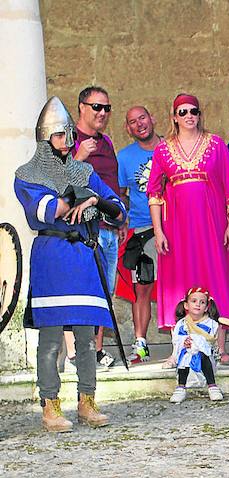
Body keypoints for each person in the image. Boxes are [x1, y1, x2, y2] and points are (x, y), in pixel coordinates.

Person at [14, 96, 126, 431]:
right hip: (52, 257)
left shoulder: (85, 171)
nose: (65, 141)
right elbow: (48, 211)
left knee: (85, 336)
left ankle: (87, 402)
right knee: (50, 338)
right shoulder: (27, 175)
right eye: (59, 135)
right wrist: (79, 196)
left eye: (67, 135)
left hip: (82, 258)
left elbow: (117, 208)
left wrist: (93, 198)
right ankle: (50, 406)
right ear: (45, 139)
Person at [147, 93, 229, 365]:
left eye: (194, 111)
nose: (189, 116)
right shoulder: (163, 150)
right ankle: (178, 349)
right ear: (174, 117)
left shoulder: (216, 145)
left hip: (213, 225)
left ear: (200, 114)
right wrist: (158, 231)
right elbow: (154, 193)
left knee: (217, 279)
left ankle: (220, 349)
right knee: (179, 281)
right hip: (176, 228)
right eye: (183, 111)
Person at [73, 86, 123, 369]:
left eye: (106, 108)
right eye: (96, 107)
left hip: (109, 229)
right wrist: (79, 156)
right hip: (83, 230)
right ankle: (76, 354)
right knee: (83, 289)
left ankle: (97, 351)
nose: (102, 113)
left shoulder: (106, 143)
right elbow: (56, 182)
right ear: (82, 107)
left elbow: (113, 186)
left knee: (105, 291)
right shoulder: (69, 140)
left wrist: (120, 220)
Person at [116, 105, 161, 364]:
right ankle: (141, 343)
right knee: (141, 288)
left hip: (173, 228)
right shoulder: (124, 157)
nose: (139, 124)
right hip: (142, 230)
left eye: (142, 118)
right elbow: (121, 194)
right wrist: (123, 221)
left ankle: (186, 342)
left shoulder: (171, 148)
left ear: (152, 118)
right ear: (128, 128)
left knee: (179, 287)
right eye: (132, 122)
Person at [169, 287, 223, 403]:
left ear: (207, 307)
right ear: (186, 305)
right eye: (194, 301)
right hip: (186, 352)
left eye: (202, 302)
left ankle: (212, 386)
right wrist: (185, 342)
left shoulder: (212, 324)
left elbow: (210, 342)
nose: (198, 304)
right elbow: (177, 340)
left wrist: (194, 342)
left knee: (202, 354)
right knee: (185, 357)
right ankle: (181, 387)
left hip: (205, 355)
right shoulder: (181, 324)